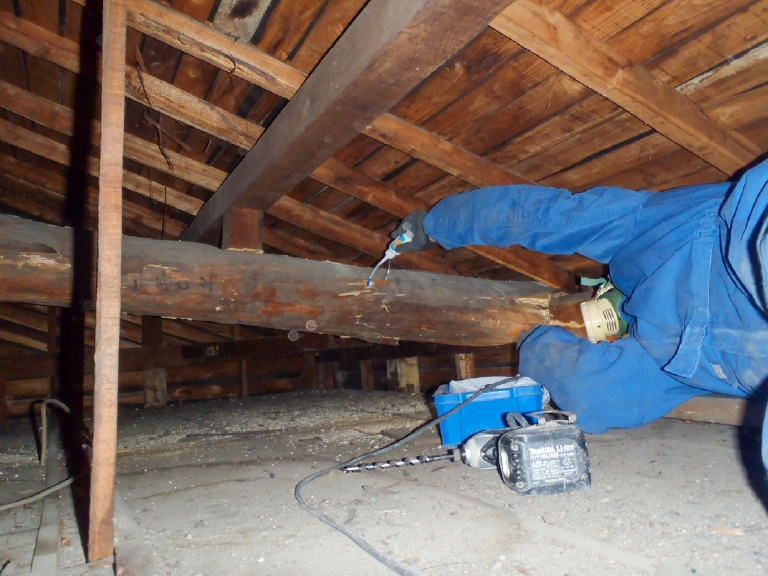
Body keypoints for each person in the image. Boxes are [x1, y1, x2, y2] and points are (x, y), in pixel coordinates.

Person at [392, 159, 768, 473]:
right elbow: (542, 217)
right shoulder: (658, 228)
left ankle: (534, 341)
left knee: (593, 399)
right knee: (560, 220)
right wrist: (436, 226)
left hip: (706, 357)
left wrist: (533, 342)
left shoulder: (645, 237)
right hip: (704, 239)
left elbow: (544, 216)